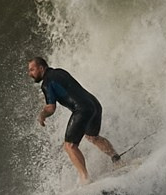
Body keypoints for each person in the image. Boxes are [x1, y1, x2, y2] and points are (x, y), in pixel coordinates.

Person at [26, 56, 121, 185]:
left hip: (82, 109)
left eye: (32, 70)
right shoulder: (60, 71)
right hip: (94, 104)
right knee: (93, 137)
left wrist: (42, 114)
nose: (30, 73)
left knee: (70, 146)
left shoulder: (47, 83)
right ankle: (117, 160)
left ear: (41, 68)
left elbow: (51, 108)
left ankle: (85, 179)